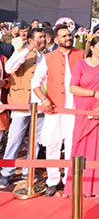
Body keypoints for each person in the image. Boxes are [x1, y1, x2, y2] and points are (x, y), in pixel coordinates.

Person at [31, 24, 85, 196]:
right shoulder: (48, 58)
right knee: (53, 144)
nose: (68, 38)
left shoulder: (81, 55)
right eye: (64, 36)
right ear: (56, 39)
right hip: (54, 107)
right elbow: (35, 83)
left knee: (72, 145)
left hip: (75, 109)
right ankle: (53, 180)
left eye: (69, 35)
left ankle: (70, 181)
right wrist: (44, 99)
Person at [64, 36, 99, 197]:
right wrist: (94, 94)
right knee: (80, 148)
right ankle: (76, 186)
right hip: (83, 113)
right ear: (91, 47)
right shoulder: (81, 64)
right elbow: (73, 88)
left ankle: (98, 189)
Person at [0, 27, 46, 188]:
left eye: (44, 37)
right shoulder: (20, 52)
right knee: (14, 139)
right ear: (31, 39)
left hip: (40, 105)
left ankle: (29, 171)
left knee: (36, 140)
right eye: (40, 37)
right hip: (21, 102)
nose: (43, 40)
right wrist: (28, 49)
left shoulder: (45, 57)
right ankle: (6, 172)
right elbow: (9, 68)